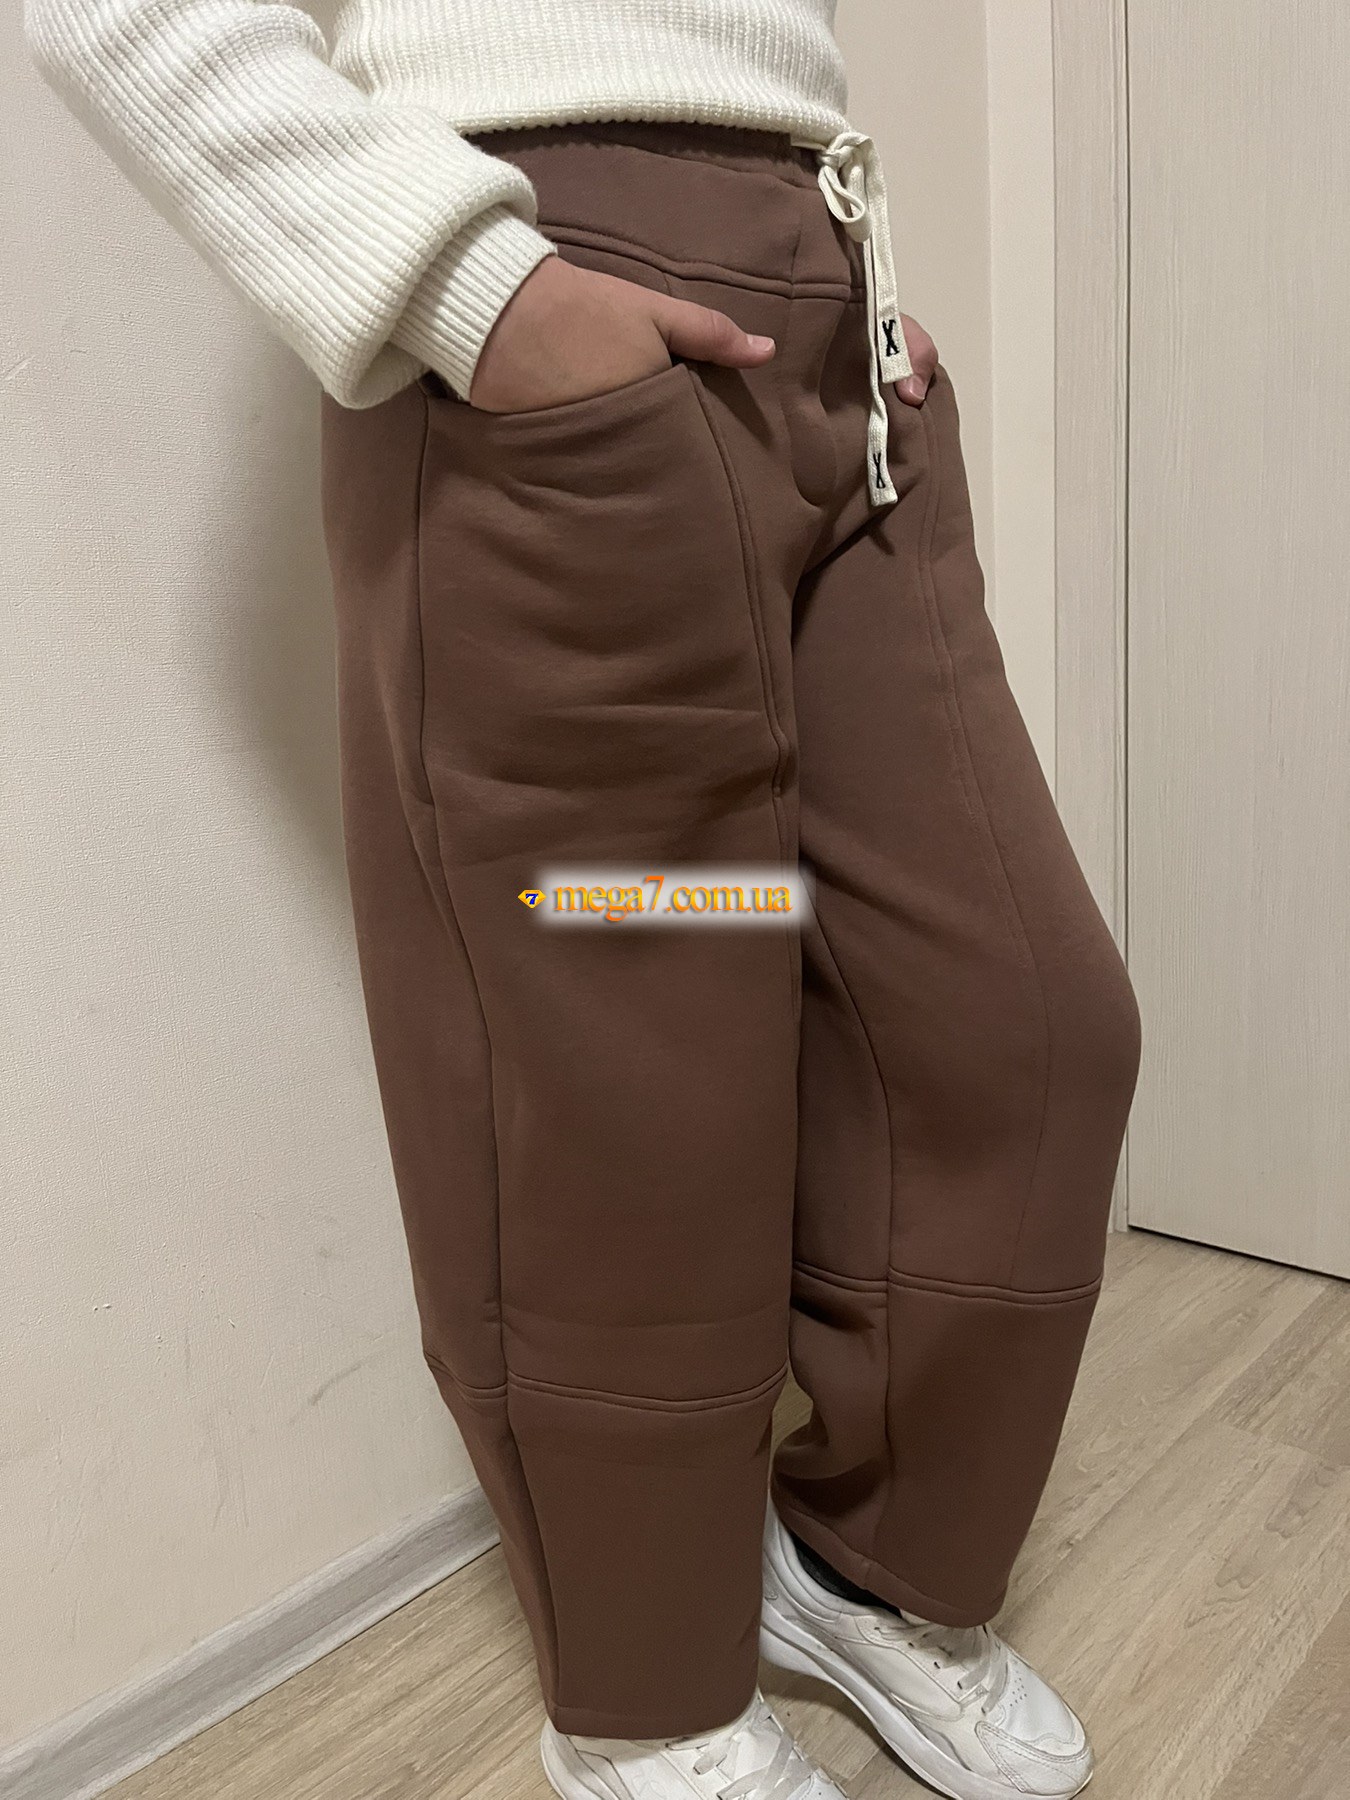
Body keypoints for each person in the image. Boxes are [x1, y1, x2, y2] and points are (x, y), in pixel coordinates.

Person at [23, 4, 1142, 1797]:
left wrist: (844, 290)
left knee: (1022, 1027)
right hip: (554, 322)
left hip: (827, 325)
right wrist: (471, 290)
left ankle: (861, 1571)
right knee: (636, 1076)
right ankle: (651, 1702)